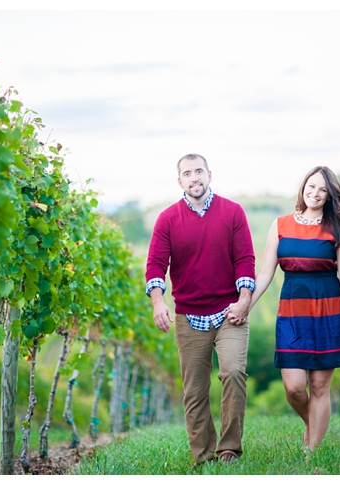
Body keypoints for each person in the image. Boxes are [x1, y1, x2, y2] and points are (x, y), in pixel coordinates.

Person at [236, 165, 340, 451]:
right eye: (311, 186)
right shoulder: (280, 224)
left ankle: (312, 452)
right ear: (303, 186)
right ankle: (312, 423)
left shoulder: (338, 228)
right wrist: (247, 306)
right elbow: (266, 272)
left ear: (330, 196)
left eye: (323, 190)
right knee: (293, 388)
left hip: (330, 311)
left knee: (318, 386)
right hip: (292, 312)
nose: (315, 193)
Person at [145, 153, 256, 465]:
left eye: (199, 171)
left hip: (229, 310)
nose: (194, 178)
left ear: (210, 175)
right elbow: (155, 265)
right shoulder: (168, 219)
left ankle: (229, 449)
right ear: (179, 180)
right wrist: (158, 302)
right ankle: (204, 456)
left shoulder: (233, 212)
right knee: (194, 391)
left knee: (233, 372)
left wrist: (244, 300)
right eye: (187, 173)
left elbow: (246, 259)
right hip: (189, 315)